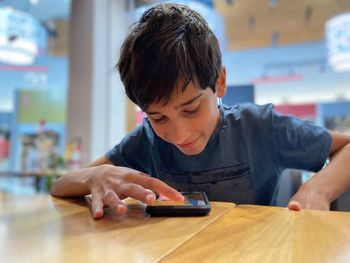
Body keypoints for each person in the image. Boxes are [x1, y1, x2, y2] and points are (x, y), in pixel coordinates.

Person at [51, 3, 350, 219]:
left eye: (191, 109)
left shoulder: (260, 127)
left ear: (219, 83)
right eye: (158, 117)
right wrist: (95, 176)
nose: (178, 133)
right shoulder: (146, 141)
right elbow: (60, 185)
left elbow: (345, 147)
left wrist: (320, 189)